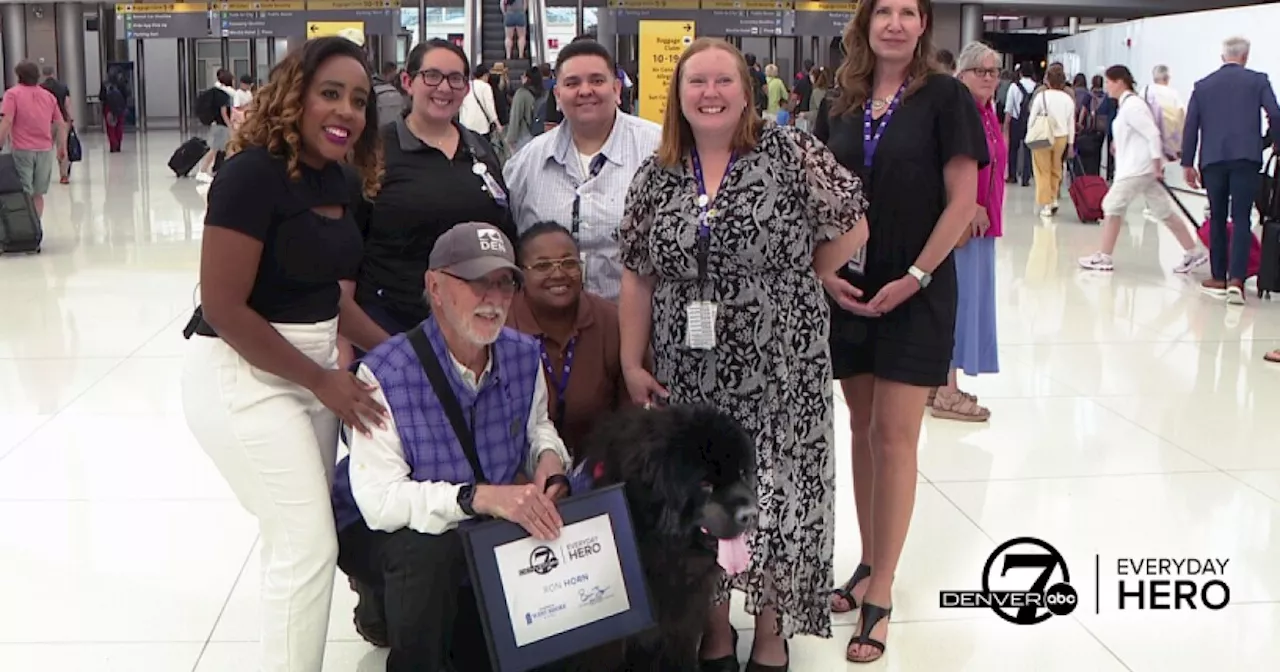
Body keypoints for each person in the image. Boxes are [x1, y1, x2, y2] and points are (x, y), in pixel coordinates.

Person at [620, 37, 869, 671]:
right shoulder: (657, 172)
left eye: (723, 81)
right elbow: (636, 273)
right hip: (688, 364)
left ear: (748, 90)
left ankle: (769, 628)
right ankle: (714, 628)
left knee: (778, 490)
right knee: (703, 489)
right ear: (677, 95)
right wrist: (631, 359)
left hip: (782, 361)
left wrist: (802, 276)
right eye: (696, 82)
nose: (710, 93)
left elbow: (854, 221)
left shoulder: (788, 152)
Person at [179, 37, 389, 672]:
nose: (346, 111)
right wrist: (321, 380)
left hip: (314, 371)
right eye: (330, 93)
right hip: (243, 374)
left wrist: (409, 350)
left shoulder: (344, 180)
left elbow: (327, 298)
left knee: (292, 544)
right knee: (307, 545)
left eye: (358, 100)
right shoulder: (251, 175)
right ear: (294, 96)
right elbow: (223, 306)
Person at [813, 0, 987, 662]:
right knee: (860, 429)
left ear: (922, 25)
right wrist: (825, 270)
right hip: (850, 288)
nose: (894, 22)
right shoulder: (840, 99)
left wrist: (914, 276)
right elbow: (816, 194)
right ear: (864, 23)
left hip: (917, 289)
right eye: (882, 10)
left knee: (894, 434)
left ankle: (882, 587)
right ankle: (866, 562)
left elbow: (963, 202)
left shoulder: (945, 97)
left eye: (907, 11)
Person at [332, 223, 571, 672]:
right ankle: (379, 602)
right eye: (478, 282)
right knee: (426, 553)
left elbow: (537, 426)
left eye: (505, 283)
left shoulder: (523, 355)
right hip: (385, 529)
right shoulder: (383, 374)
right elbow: (381, 502)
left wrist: (550, 461)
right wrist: (478, 496)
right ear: (435, 287)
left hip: (479, 527)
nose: (494, 299)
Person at [354, 39, 517, 339]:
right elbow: (350, 243)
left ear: (466, 88)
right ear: (408, 81)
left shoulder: (480, 149)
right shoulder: (376, 150)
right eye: (432, 76)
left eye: (456, 79)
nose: (444, 88)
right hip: (392, 326)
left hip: (473, 326)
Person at [504, 39, 661, 301]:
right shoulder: (527, 163)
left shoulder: (658, 151)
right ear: (557, 94)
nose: (585, 91)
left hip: (637, 325)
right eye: (572, 83)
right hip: (547, 327)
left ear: (616, 88)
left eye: (597, 81)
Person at [930, 42, 1007, 422]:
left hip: (982, 225)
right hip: (963, 224)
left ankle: (940, 382)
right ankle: (946, 390)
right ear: (962, 73)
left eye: (994, 72)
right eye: (981, 71)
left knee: (965, 303)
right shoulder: (959, 110)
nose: (990, 78)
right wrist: (969, 202)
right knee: (956, 305)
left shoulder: (987, 112)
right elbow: (945, 161)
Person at [506, 221, 625, 455]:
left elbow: (632, 414)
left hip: (599, 468)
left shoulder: (611, 321)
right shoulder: (502, 326)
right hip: (519, 476)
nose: (558, 274)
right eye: (543, 266)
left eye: (569, 263)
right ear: (520, 274)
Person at [1078, 65, 1205, 274]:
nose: (1107, 86)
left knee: (1111, 205)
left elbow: (1152, 134)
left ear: (1119, 82)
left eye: (1109, 82)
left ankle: (1104, 256)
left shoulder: (1133, 106)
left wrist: (1156, 165)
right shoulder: (1127, 104)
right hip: (1142, 168)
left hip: (1137, 169)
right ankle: (1192, 251)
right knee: (1163, 211)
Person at [1182, 36, 1280, 304]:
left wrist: (1188, 163)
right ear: (1246, 57)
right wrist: (1273, 145)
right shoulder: (1258, 80)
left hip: (1212, 160)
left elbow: (1191, 126)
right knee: (1241, 217)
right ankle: (1237, 279)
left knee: (1217, 216)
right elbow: (1275, 113)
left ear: (1222, 56)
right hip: (1247, 159)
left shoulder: (1203, 86)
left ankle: (1218, 277)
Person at [0, 61, 68, 218]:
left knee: (25, 191)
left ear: (19, 76)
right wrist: (62, 147)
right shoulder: (48, 97)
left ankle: (26, 229)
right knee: (38, 194)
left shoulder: (12, 94)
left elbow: (7, 120)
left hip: (22, 150)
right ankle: (36, 227)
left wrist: (1, 141)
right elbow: (60, 123)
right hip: (44, 149)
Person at [1026, 65, 1075, 217]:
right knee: (1056, 169)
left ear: (1047, 80)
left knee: (1042, 170)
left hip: (1043, 135)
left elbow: (1032, 118)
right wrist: (1071, 143)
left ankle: (1046, 203)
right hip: (1062, 137)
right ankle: (1053, 198)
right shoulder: (1068, 99)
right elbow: (1071, 123)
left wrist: (1029, 134)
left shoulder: (1042, 96)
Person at [197, 69, 236, 182]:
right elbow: (224, 112)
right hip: (221, 126)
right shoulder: (224, 95)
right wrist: (230, 125)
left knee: (223, 149)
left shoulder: (218, 93)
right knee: (215, 149)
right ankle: (202, 171)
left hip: (218, 124)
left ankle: (224, 170)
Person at [1003, 62, 1036, 185]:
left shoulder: (1014, 87)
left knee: (1013, 149)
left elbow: (1009, 107)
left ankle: (1012, 175)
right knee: (1028, 150)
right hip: (1031, 121)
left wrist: (1006, 125)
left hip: (1016, 121)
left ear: (1020, 72)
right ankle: (1026, 177)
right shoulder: (1036, 87)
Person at [39, 65, 72, 184]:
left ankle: (42, 176)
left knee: (44, 149)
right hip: (61, 120)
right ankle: (64, 176)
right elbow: (67, 103)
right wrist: (70, 119)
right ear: (53, 73)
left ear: (43, 74)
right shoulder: (63, 87)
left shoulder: (40, 89)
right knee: (62, 148)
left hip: (46, 121)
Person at [505, 65, 544, 153]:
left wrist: (510, 138)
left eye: (524, 76)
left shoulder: (521, 94)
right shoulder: (542, 93)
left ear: (528, 79)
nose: (521, 78)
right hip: (540, 134)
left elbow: (515, 116)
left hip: (524, 136)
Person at [458, 63, 502, 141]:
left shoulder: (466, 85)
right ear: (485, 75)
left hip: (466, 125)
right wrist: (497, 123)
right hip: (481, 126)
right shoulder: (486, 87)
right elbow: (489, 107)